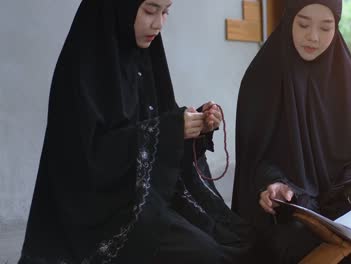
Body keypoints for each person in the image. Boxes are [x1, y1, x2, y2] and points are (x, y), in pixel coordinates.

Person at [19, 0, 253, 263]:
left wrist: (195, 125)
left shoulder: (145, 58)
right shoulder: (82, 70)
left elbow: (158, 121)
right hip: (101, 217)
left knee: (236, 238)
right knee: (208, 256)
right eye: (150, 10)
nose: (159, 23)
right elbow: (87, 160)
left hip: (148, 197)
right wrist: (171, 129)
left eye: (165, 12)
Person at [232, 0, 351, 263]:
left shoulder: (346, 78)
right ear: (289, 21)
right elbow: (255, 157)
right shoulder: (262, 75)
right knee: (296, 243)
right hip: (288, 204)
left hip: (339, 197)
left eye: (326, 27)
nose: (313, 37)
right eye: (304, 24)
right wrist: (273, 185)